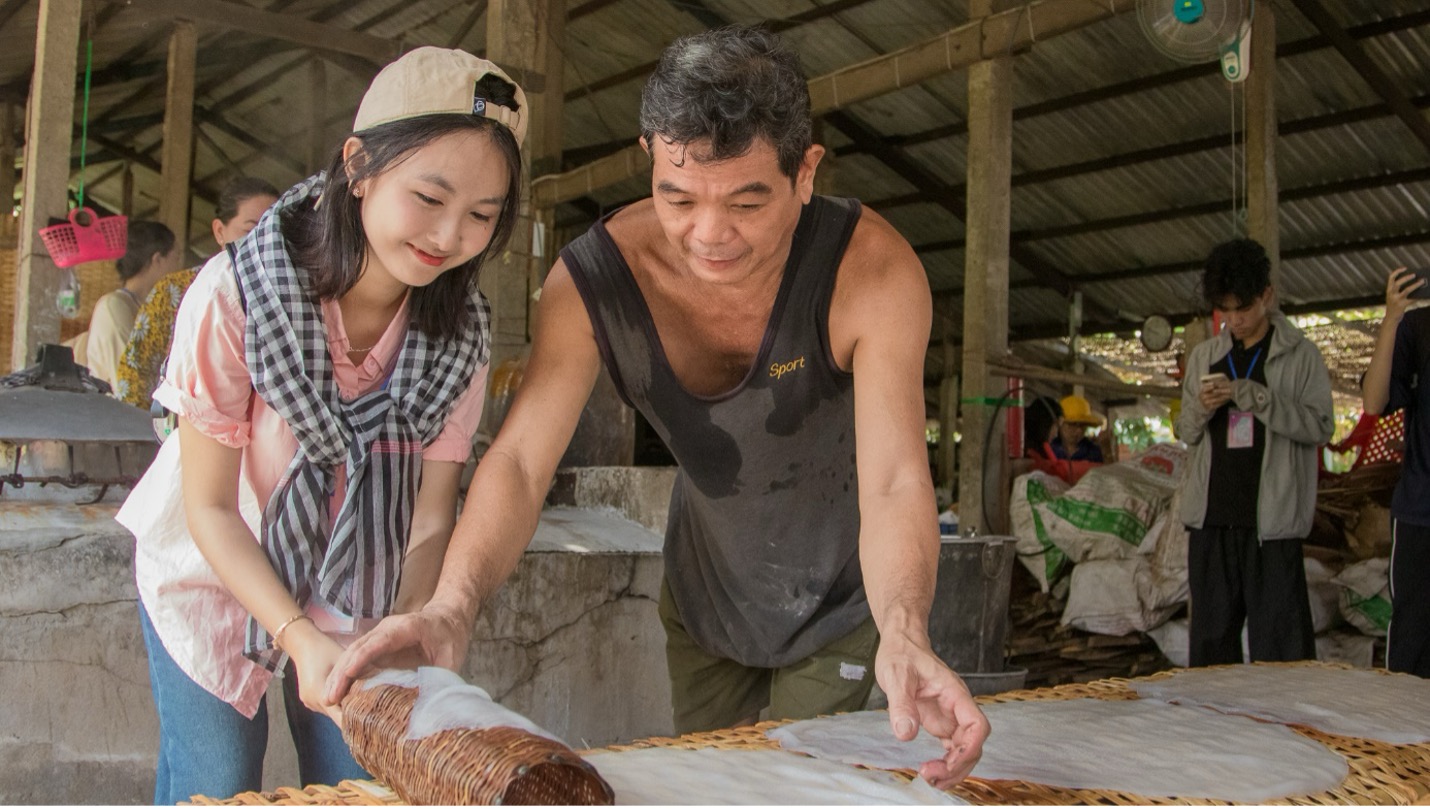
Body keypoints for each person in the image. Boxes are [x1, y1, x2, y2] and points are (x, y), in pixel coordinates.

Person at [328, 25, 988, 788]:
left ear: (805, 173)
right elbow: (517, 458)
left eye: (747, 201)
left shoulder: (870, 272)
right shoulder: (595, 279)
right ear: (650, 161)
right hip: (702, 592)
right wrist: (451, 605)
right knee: (706, 782)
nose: (709, 235)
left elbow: (898, 478)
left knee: (800, 788)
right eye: (677, 198)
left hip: (842, 600)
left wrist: (904, 628)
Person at [114, 47, 526, 802]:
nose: (448, 235)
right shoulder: (238, 293)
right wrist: (296, 638)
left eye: (481, 216)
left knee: (359, 781)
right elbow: (208, 505)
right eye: (429, 197)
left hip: (356, 578)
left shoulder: (460, 333)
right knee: (218, 779)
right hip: (213, 566)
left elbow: (429, 519)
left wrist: (400, 635)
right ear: (359, 165)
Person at [1176, 238, 1333, 667]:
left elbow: (1321, 426)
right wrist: (1200, 408)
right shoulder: (1207, 355)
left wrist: (1255, 397)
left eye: (1242, 309)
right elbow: (1185, 432)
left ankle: (1287, 730)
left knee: (1284, 653)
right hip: (1211, 523)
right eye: (1225, 311)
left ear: (1267, 296)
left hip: (1273, 527)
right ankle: (1214, 730)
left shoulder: (1300, 356)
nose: (1234, 320)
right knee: (1210, 651)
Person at [115, 176, 280, 409]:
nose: (263, 242)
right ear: (219, 231)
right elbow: (135, 373)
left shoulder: (287, 297)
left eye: (273, 231)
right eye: (251, 230)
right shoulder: (174, 291)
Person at [1362, 266, 1430, 677]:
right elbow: (1373, 402)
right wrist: (1391, 319)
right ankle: (1411, 741)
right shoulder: (1419, 328)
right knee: (1414, 642)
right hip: (1422, 513)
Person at [82, 220, 181, 392]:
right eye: (176, 258)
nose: (179, 267)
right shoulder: (114, 307)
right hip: (118, 415)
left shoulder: (144, 308)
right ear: (158, 260)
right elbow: (128, 379)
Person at [1050, 394, 1106, 463]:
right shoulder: (1048, 449)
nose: (1079, 430)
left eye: (1083, 425)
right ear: (1059, 424)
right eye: (1073, 424)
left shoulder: (1093, 452)